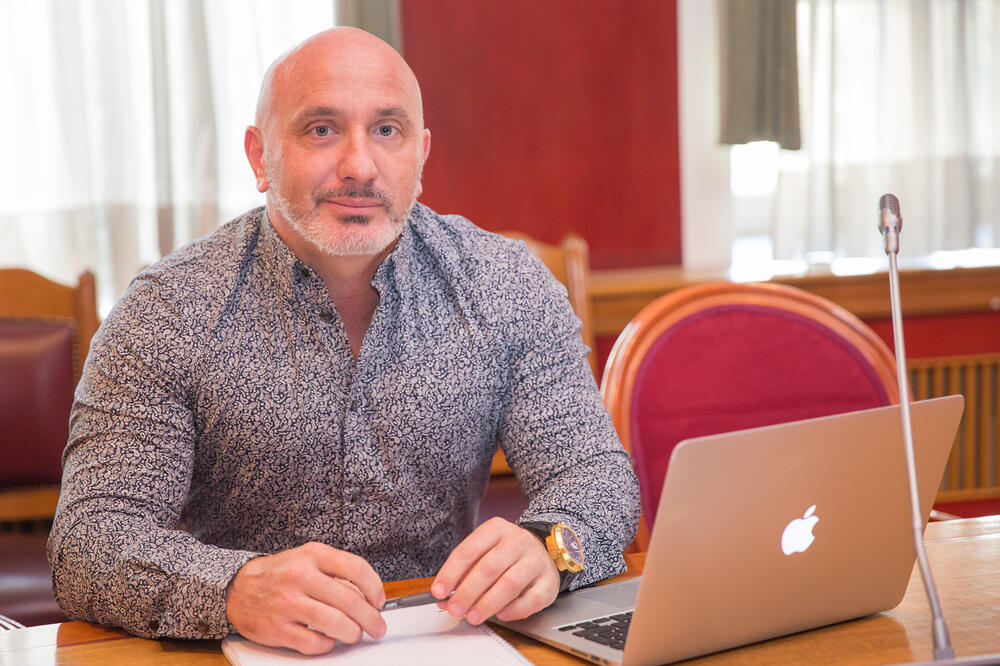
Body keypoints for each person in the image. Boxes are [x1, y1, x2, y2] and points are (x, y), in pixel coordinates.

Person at [48, 27, 639, 655]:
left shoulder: (506, 286)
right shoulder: (167, 308)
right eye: (322, 129)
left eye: (387, 129)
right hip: (243, 651)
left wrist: (550, 547)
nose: (359, 166)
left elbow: (597, 477)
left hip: (448, 642)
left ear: (420, 154)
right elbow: (89, 540)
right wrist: (231, 588)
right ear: (259, 157)